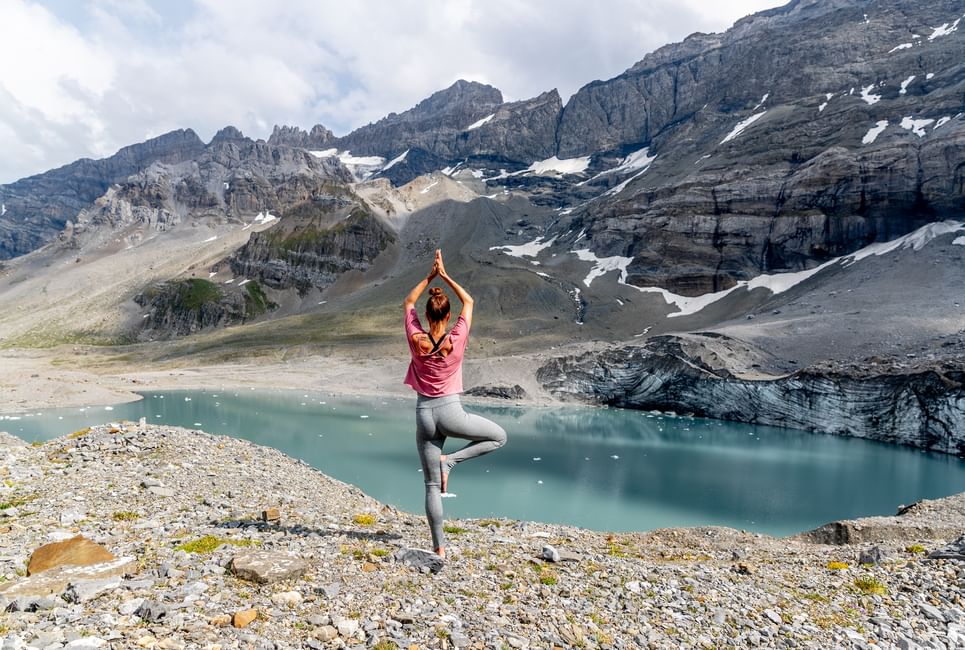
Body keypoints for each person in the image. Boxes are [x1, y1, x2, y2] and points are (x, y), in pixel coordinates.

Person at [403, 249, 507, 558]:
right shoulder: (455, 339)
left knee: (431, 487)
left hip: (424, 414)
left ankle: (439, 548)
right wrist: (446, 276)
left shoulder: (416, 339)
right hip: (450, 411)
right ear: (447, 316)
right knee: (498, 437)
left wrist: (429, 277)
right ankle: (452, 461)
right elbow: (470, 302)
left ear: (427, 315)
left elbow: (408, 302)